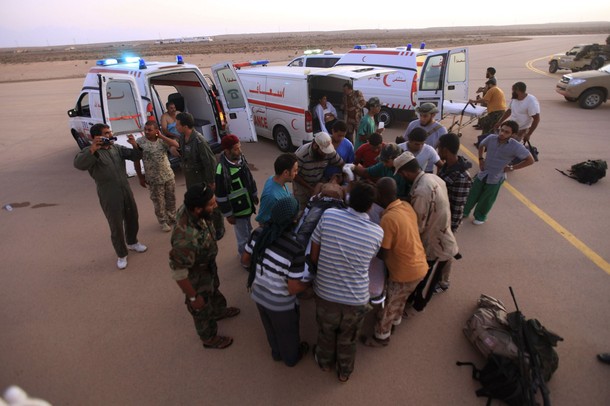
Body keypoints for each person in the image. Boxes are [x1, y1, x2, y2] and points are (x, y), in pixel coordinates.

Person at [310, 181, 384, 382]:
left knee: (326, 332)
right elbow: (367, 261)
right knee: (348, 338)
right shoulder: (377, 232)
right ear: (370, 206)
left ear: (348, 200)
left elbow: (314, 254)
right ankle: (344, 372)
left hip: (325, 293)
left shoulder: (329, 216)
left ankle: (324, 363)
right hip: (356, 299)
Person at [169, 184, 240, 350]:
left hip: (206, 263)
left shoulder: (196, 210)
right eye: (211, 204)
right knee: (201, 307)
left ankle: (219, 311)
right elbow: (179, 273)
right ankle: (209, 338)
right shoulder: (184, 237)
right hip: (195, 274)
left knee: (214, 288)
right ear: (197, 209)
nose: (215, 206)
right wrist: (193, 297)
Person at [242, 196, 310, 366]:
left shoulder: (258, 233)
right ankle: (291, 358)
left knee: (270, 327)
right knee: (287, 332)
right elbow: (293, 288)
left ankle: (276, 352)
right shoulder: (296, 248)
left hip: (258, 294)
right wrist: (309, 283)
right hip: (281, 304)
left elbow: (245, 259)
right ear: (294, 220)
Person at [361, 177, 428, 347]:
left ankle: (381, 336)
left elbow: (383, 254)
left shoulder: (388, 219)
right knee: (400, 298)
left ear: (381, 195)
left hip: (404, 272)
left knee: (389, 304)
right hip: (419, 265)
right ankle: (396, 320)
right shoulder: (405, 206)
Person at [73, 123, 147, 270]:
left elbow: (137, 156)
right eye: (106, 133)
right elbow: (79, 164)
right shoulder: (90, 151)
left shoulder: (116, 148)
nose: (109, 135)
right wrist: (93, 148)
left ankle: (132, 242)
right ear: (96, 137)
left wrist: (135, 145)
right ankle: (121, 254)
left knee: (132, 216)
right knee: (116, 225)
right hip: (109, 194)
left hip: (125, 189)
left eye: (110, 132)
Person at [394, 152, 458, 307]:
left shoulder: (421, 192)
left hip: (434, 245)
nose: (402, 178)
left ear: (406, 172)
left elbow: (417, 227)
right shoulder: (433, 178)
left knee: (426, 280)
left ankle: (418, 304)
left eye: (402, 175)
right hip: (443, 234)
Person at [464, 120, 535, 225]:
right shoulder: (491, 138)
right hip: (483, 173)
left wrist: (511, 168)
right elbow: (481, 145)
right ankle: (464, 212)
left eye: (506, 132)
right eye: (502, 130)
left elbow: (530, 160)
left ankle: (480, 216)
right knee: (472, 193)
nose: (502, 133)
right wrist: (480, 159)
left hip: (496, 177)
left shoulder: (516, 146)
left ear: (513, 134)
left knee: (487, 199)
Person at [174, 112, 225, 239]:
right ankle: (203, 224)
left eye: (177, 124)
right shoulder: (182, 137)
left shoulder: (199, 140)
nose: (175, 126)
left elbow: (209, 161)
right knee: (197, 203)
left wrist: (211, 181)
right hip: (191, 178)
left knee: (211, 203)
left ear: (185, 126)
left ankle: (219, 227)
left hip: (201, 178)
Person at [435, 133, 472, 292]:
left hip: (448, 221)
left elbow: (457, 207)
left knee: (446, 253)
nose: (437, 150)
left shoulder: (462, 177)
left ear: (446, 150)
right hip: (439, 216)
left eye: (439, 147)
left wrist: (449, 229)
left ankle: (443, 281)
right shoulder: (447, 167)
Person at [214, 134, 258, 257]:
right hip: (237, 211)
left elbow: (250, 179)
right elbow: (220, 196)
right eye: (236, 149)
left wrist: (254, 195)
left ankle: (249, 253)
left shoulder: (241, 160)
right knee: (243, 237)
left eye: (240, 147)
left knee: (248, 231)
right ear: (227, 151)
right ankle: (244, 258)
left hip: (247, 207)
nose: (240, 151)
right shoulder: (221, 170)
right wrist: (228, 215)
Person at [134, 121, 179, 232]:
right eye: (145, 129)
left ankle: (172, 218)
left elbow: (176, 145)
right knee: (159, 201)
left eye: (150, 129)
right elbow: (136, 160)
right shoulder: (140, 142)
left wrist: (162, 136)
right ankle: (163, 221)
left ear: (156, 130)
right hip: (153, 178)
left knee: (171, 199)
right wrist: (140, 177)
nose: (147, 132)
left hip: (168, 175)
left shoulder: (162, 141)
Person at [293, 132, 344, 212]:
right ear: (315, 146)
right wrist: (310, 188)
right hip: (301, 186)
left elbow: (341, 164)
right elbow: (294, 175)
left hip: (317, 182)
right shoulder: (301, 155)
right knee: (301, 210)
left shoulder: (329, 152)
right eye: (323, 151)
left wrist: (339, 177)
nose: (325, 154)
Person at [256, 153, 298, 225]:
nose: (296, 173)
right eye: (295, 170)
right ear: (286, 173)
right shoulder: (271, 197)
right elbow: (262, 221)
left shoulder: (276, 179)